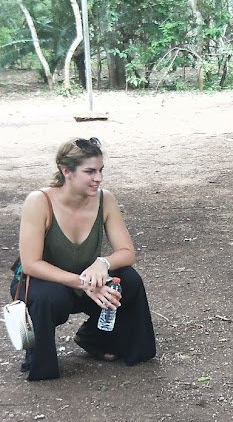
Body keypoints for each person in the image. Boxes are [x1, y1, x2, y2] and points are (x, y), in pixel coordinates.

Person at [11, 137, 156, 380]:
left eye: (100, 171)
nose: (98, 178)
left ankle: (96, 338)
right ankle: (40, 360)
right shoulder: (39, 201)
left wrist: (103, 263)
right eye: (90, 172)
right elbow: (31, 264)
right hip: (44, 282)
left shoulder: (105, 199)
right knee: (49, 296)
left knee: (128, 280)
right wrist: (83, 283)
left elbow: (127, 252)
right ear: (66, 171)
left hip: (87, 279)